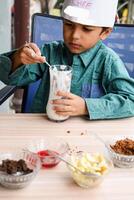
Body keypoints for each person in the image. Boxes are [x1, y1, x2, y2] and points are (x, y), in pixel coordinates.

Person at [0, 0, 134, 120]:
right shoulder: (50, 52)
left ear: (105, 33)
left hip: (86, 135)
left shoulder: (108, 61)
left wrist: (86, 107)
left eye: (87, 29)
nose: (74, 36)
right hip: (44, 127)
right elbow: (8, 78)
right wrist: (19, 58)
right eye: (69, 25)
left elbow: (130, 100)